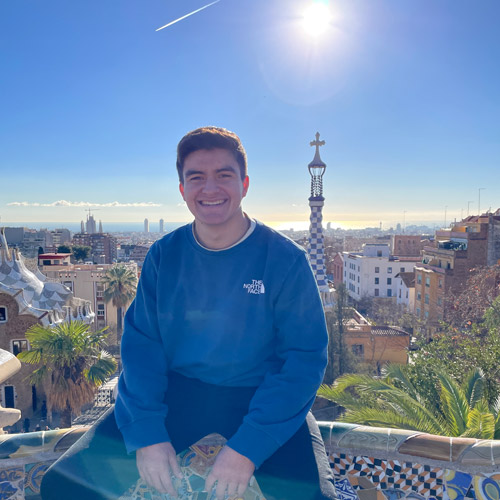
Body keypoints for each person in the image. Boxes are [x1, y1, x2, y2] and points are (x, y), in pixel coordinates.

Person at [41, 127, 336, 500]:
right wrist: (147, 434)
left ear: (244, 184)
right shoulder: (164, 256)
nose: (209, 189)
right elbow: (142, 347)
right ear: (182, 190)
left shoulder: (285, 260)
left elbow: (303, 359)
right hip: (177, 392)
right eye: (196, 178)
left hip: (260, 394)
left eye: (223, 176)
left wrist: (248, 449)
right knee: (63, 486)